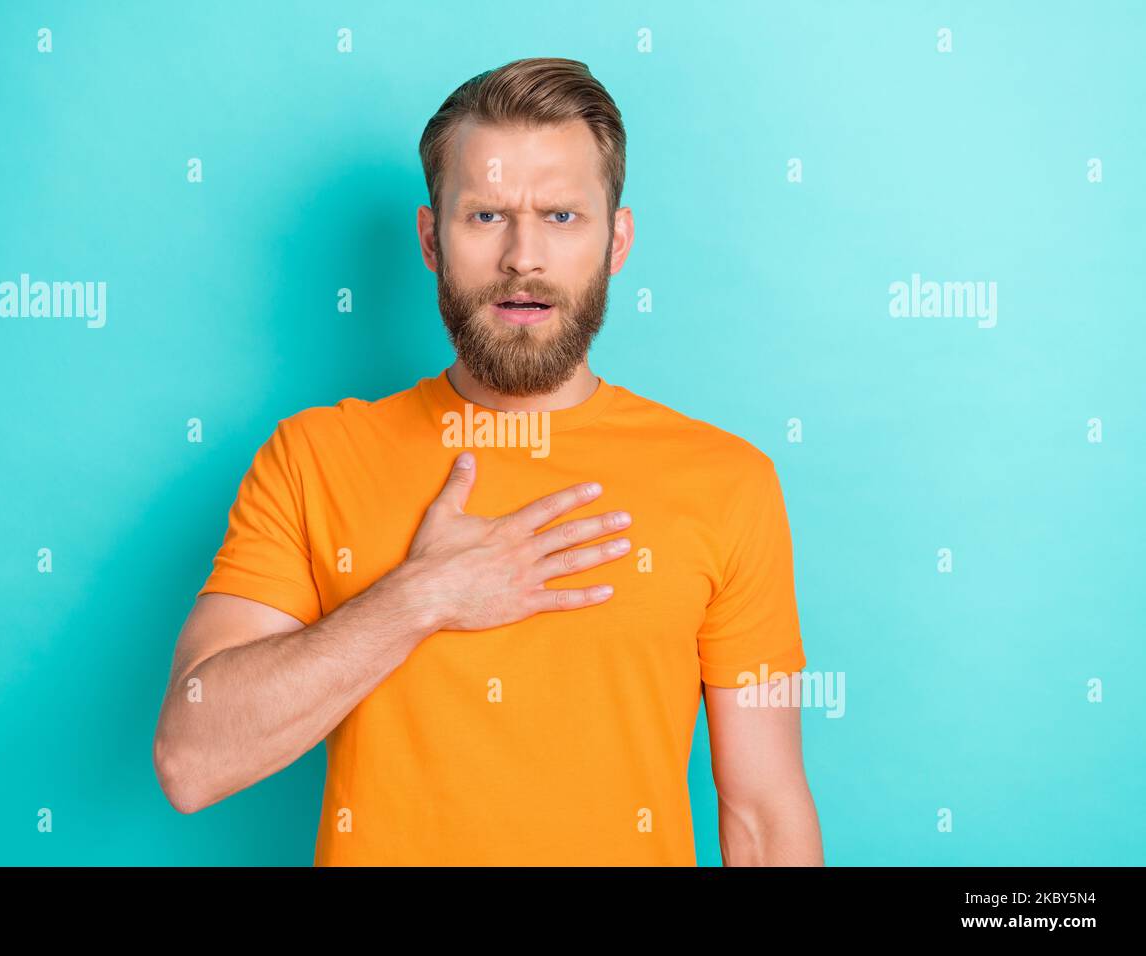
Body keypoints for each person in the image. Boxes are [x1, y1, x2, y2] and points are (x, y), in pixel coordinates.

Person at [153, 56, 823, 866]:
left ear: (618, 241)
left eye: (563, 217)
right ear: (432, 240)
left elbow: (761, 814)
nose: (523, 257)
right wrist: (419, 598)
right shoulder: (313, 458)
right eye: (486, 217)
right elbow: (191, 761)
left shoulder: (729, 483)